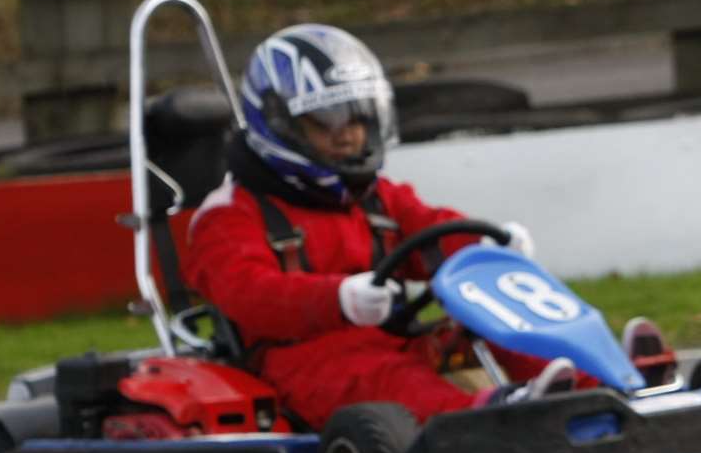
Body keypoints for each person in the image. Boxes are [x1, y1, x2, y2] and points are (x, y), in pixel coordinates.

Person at [185, 24, 672, 430]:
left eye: (356, 116)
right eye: (327, 121)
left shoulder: (373, 196)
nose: (350, 132)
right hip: (305, 363)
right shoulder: (229, 214)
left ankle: (609, 384)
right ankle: (497, 420)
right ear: (279, 125)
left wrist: (488, 244)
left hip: (396, 339)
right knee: (390, 378)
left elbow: (432, 228)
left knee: (493, 322)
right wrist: (337, 298)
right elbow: (250, 296)